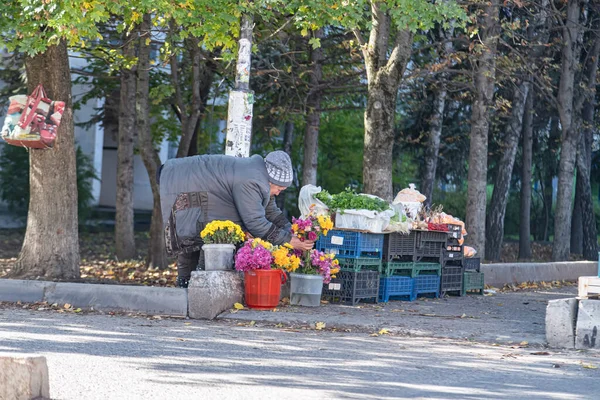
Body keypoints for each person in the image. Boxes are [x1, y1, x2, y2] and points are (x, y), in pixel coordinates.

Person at [158, 150, 313, 288]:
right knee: (191, 232)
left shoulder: (261, 179)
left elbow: (270, 211)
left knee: (197, 232)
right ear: (271, 181)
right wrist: (290, 241)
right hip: (183, 183)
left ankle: (191, 288)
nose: (279, 193)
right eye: (279, 189)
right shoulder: (252, 181)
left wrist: (291, 230)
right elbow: (256, 223)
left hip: (193, 182)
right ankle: (188, 287)